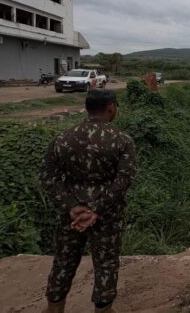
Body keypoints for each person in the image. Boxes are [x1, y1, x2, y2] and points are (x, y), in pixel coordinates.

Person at [40, 90, 136, 313]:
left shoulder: (62, 139)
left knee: (64, 259)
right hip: (107, 215)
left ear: (87, 108)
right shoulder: (122, 140)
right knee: (106, 262)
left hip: (71, 214)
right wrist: (97, 210)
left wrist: (71, 207)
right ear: (111, 107)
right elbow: (124, 180)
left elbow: (48, 176)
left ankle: (54, 307)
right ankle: (103, 309)